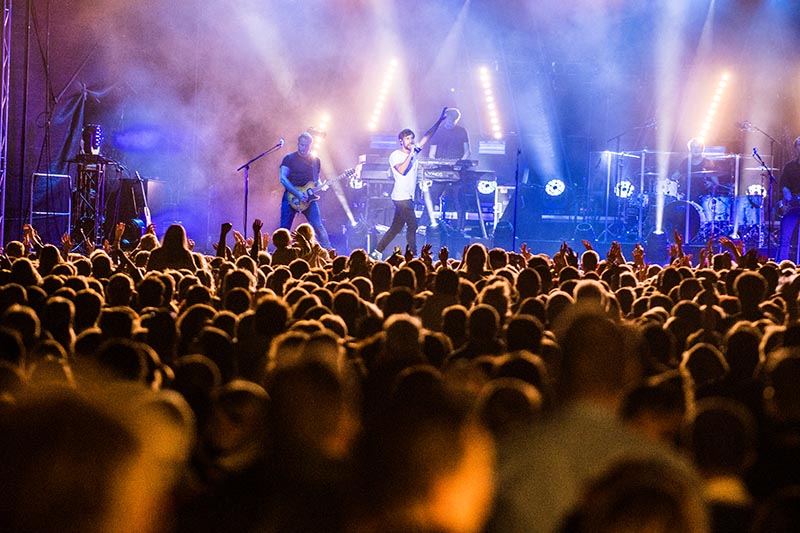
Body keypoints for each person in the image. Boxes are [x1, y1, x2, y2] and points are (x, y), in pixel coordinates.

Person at [370, 108, 448, 260]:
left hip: (407, 196)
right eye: (407, 139)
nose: (411, 141)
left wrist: (439, 121)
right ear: (401, 141)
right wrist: (411, 154)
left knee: (395, 228)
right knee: (413, 226)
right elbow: (403, 170)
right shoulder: (395, 155)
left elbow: (427, 136)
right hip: (401, 197)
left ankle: (376, 252)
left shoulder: (414, 152)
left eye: (412, 139)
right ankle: (413, 255)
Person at [278, 132, 331, 249]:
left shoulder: (315, 160)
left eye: (306, 145)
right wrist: (297, 193)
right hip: (291, 197)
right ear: (298, 144)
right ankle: (280, 255)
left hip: (309, 198)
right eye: (302, 145)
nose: (303, 148)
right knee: (284, 230)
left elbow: (316, 180)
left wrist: (323, 185)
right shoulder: (289, 159)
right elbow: (282, 178)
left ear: (310, 145)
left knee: (318, 227)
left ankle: (329, 254)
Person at [424, 107, 472, 231]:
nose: (450, 123)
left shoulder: (462, 131)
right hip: (440, 171)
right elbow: (432, 153)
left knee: (458, 201)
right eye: (448, 120)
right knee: (431, 198)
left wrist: (459, 164)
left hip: (457, 171)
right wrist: (433, 164)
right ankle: (423, 227)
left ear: (457, 120)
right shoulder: (438, 131)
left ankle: (459, 231)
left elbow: (467, 151)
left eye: (453, 121)